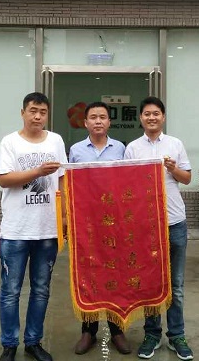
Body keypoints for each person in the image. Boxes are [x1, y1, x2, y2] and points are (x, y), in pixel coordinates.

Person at [0, 92, 67, 361]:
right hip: (16, 230)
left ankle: (33, 341)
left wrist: (64, 217)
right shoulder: (9, 142)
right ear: (23, 112)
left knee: (41, 289)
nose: (37, 116)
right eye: (33, 111)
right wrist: (38, 171)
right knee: (10, 291)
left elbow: (62, 179)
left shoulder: (56, 140)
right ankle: (9, 344)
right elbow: (3, 179)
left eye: (43, 112)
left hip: (47, 230)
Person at [124, 96, 194, 361]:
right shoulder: (132, 148)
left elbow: (187, 179)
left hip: (174, 222)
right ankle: (152, 334)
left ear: (163, 117)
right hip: (146, 225)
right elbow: (127, 186)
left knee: (176, 284)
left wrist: (173, 168)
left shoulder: (175, 144)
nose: (151, 117)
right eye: (147, 114)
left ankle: (177, 335)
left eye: (156, 113)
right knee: (150, 283)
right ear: (140, 118)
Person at [68, 101, 132, 356]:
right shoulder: (75, 150)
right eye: (93, 117)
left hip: (114, 223)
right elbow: (70, 185)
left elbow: (127, 183)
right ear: (85, 123)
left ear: (109, 122)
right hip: (87, 224)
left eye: (102, 117)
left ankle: (117, 330)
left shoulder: (121, 149)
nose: (98, 121)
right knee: (89, 274)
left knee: (115, 273)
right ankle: (89, 330)